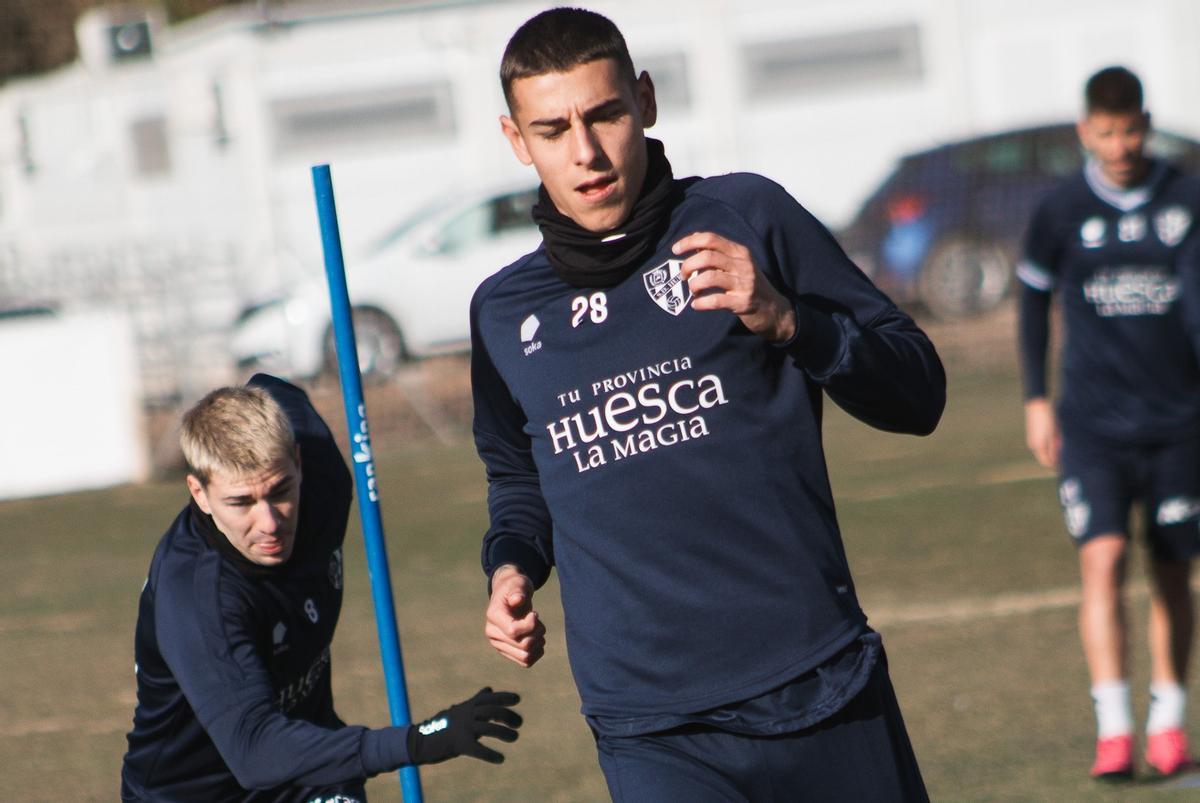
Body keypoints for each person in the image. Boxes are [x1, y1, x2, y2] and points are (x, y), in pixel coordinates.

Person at [470, 8, 945, 800]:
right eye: (552, 130)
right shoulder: (501, 311)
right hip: (652, 729)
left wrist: (791, 321)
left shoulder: (747, 216)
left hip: (816, 682)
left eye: (606, 114)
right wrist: (511, 566)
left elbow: (919, 391)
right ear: (517, 141)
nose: (585, 152)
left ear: (646, 101)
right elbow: (519, 476)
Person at [121, 374, 522, 801]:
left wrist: (240, 413)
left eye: (280, 492)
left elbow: (275, 387)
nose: (270, 522)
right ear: (199, 493)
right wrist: (418, 740)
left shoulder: (323, 478)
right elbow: (256, 749)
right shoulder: (200, 598)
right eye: (241, 503)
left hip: (308, 772)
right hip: (197, 791)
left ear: (297, 461)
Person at [1017, 65, 1200, 780]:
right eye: (1106, 132)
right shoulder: (1060, 208)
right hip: (1092, 423)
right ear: (1084, 130)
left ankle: (1169, 722)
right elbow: (1032, 303)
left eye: (1129, 131)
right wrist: (1037, 398)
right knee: (1103, 559)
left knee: (1171, 568)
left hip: (1180, 421)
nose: (1119, 144)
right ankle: (1114, 728)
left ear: (1145, 125)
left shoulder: (1186, 196)